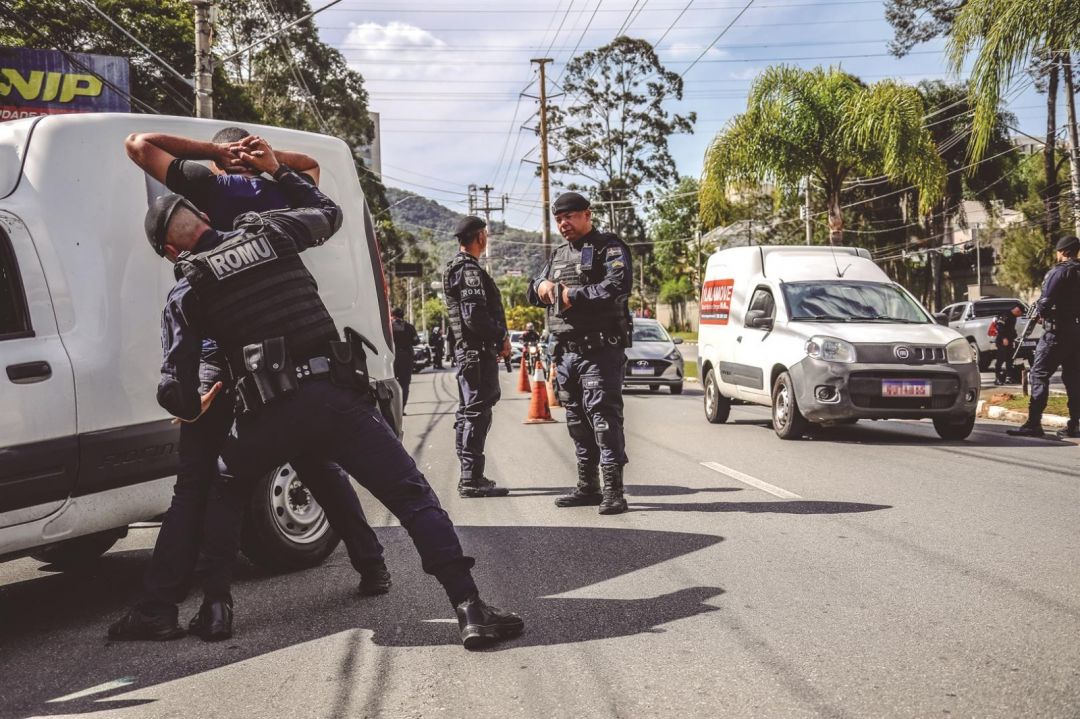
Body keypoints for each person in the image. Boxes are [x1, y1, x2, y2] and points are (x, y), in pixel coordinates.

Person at [124, 148, 523, 649]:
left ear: (171, 253)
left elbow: (176, 388)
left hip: (264, 417)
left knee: (222, 490)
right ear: (204, 216)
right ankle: (469, 608)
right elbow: (329, 213)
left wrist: (191, 406)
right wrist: (277, 169)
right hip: (334, 398)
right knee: (411, 496)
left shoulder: (188, 288)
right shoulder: (269, 230)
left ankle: (216, 607)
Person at [111, 133, 389, 645]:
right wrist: (270, 163)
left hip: (221, 364)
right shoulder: (272, 197)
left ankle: (181, 606)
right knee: (314, 462)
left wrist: (215, 157)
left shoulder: (207, 192)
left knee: (205, 485)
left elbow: (139, 144)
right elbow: (311, 176)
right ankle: (372, 564)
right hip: (286, 364)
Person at [527, 192, 633, 515]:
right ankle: (588, 487)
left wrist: (575, 295)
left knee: (603, 419)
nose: (563, 224)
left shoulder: (608, 247)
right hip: (567, 354)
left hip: (600, 350)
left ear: (587, 215)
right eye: (558, 219)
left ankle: (614, 491)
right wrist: (540, 287)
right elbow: (532, 290)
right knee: (576, 421)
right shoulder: (558, 255)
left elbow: (617, 285)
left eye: (570, 217)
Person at [443, 216, 512, 498]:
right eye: (485, 233)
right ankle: (471, 479)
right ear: (480, 237)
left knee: (469, 411)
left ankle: (470, 475)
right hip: (476, 352)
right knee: (476, 413)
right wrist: (501, 337)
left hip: (470, 353)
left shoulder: (459, 268)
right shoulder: (468, 270)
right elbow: (474, 317)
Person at [1007, 235, 1080, 439]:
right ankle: (1075, 424)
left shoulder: (1059, 272)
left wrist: (1039, 313)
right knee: (1074, 379)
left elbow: (1044, 302)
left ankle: (1033, 423)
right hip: (1076, 334)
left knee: (1039, 374)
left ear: (1063, 252)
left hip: (1056, 334)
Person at [391, 308, 420, 411]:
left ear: (393, 315)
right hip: (406, 357)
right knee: (405, 383)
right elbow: (416, 341)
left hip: (392, 357)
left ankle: (392, 409)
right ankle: (401, 408)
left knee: (390, 382)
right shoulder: (409, 327)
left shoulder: (389, 327)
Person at [993, 304, 1023, 385]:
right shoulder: (1005, 315)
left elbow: (1011, 328)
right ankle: (997, 378)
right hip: (1002, 341)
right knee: (1000, 359)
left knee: (1009, 360)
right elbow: (999, 326)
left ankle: (1008, 377)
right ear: (1017, 310)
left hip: (1009, 341)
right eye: (1020, 313)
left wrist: (1014, 336)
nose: (1020, 315)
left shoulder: (1013, 317)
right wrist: (1003, 338)